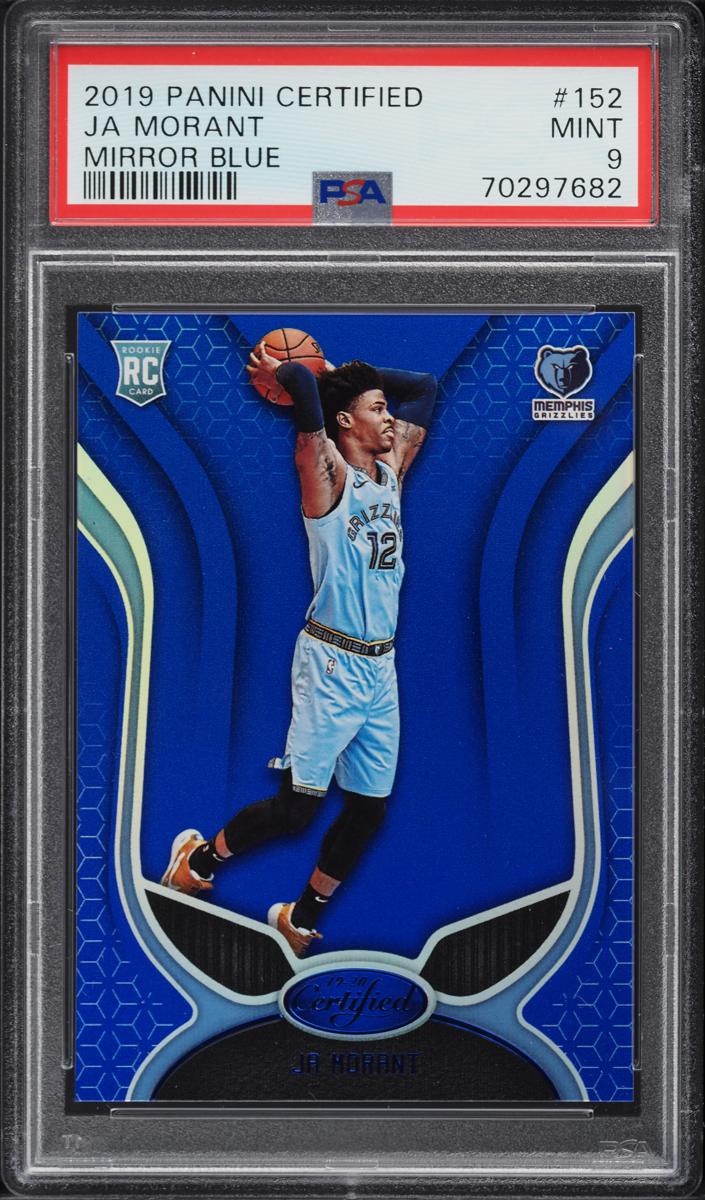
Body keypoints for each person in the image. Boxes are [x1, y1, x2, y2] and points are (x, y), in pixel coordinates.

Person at [161, 341, 437, 955]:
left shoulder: (390, 472)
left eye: (385, 408)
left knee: (368, 812)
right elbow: (299, 384)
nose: (390, 417)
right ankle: (197, 861)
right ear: (345, 422)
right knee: (296, 812)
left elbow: (424, 384)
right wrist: (302, 373)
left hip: (381, 668)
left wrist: (343, 374)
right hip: (332, 663)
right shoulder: (325, 474)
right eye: (376, 408)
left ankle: (299, 915)